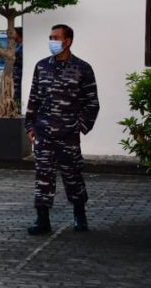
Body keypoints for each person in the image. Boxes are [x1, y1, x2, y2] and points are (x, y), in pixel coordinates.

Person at [25, 24, 99, 235]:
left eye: (56, 37)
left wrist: (79, 127)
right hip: (44, 133)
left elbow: (92, 103)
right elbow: (34, 98)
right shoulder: (41, 67)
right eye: (50, 37)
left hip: (68, 134)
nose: (52, 41)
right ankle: (42, 219)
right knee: (43, 176)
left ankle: (79, 214)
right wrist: (30, 125)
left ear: (68, 41)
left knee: (73, 175)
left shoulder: (83, 68)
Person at [12, 27, 23, 105]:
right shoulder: (17, 45)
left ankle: (18, 107)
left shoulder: (22, 45)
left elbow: (15, 57)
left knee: (17, 92)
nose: (12, 35)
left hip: (18, 73)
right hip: (15, 73)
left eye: (13, 33)